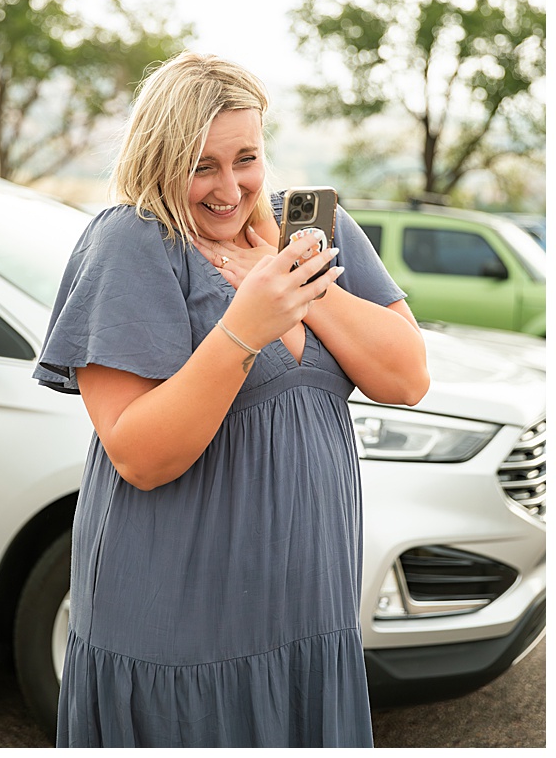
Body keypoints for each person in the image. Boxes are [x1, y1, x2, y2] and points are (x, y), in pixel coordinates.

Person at [34, 53, 429, 748]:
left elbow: (406, 376)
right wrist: (245, 325)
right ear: (156, 157)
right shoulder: (133, 240)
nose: (229, 187)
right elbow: (139, 454)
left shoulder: (311, 228)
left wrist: (306, 284)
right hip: (182, 639)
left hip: (309, 623)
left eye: (245, 158)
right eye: (201, 165)